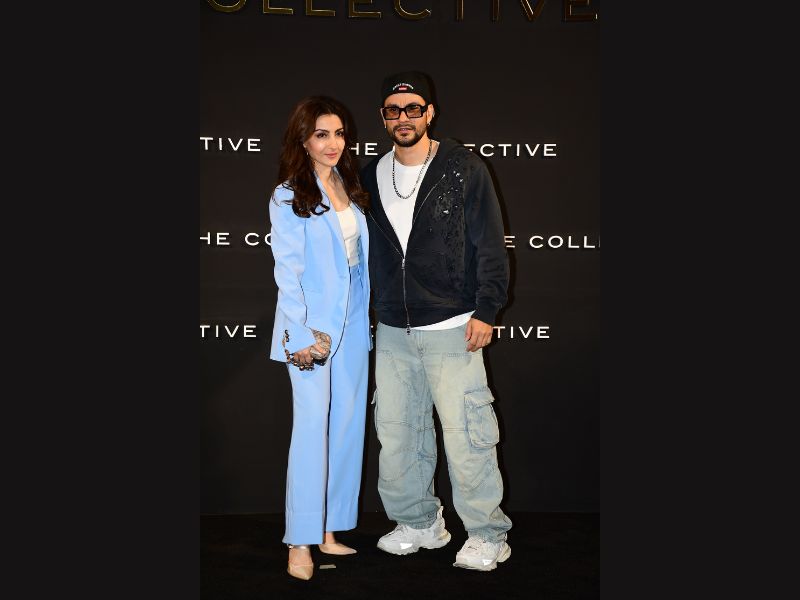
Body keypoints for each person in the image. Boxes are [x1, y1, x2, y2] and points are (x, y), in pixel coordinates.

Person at [361, 71, 513, 571]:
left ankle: (488, 534)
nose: (403, 117)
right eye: (393, 110)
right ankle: (419, 522)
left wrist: (487, 309)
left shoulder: (464, 166)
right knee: (398, 433)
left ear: (429, 113)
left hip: (453, 324)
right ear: (384, 117)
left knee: (468, 436)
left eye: (413, 108)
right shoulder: (369, 173)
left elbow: (490, 244)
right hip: (393, 329)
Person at [268, 96, 371, 580]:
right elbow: (287, 272)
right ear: (303, 139)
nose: (333, 143)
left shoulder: (347, 185)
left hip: (354, 324)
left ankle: (330, 528)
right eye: (322, 134)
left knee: (347, 427)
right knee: (311, 431)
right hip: (312, 331)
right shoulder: (288, 194)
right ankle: (299, 541)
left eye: (339, 133)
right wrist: (302, 334)